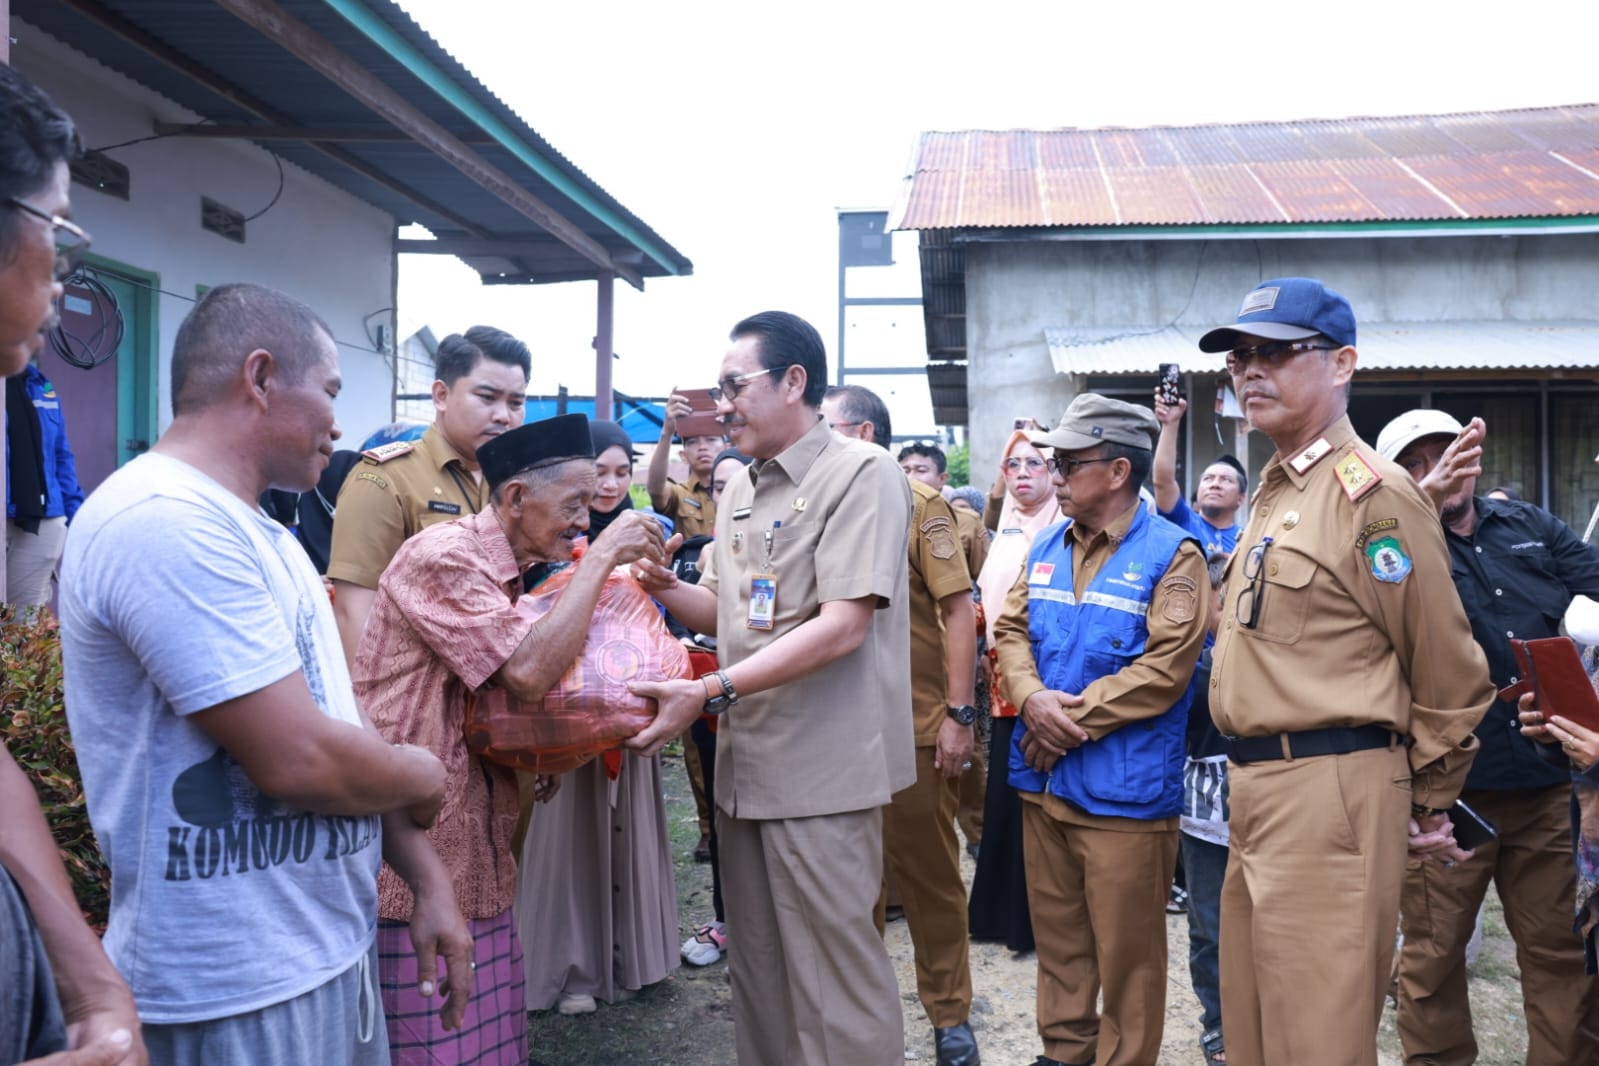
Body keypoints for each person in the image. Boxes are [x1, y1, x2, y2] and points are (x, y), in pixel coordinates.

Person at [58, 283, 464, 1064]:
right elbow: (300, 760)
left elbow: (337, 726)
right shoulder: (162, 518)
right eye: (330, 391)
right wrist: (422, 774)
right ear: (261, 376)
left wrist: (425, 874)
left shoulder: (265, 533)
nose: (338, 422)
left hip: (318, 953)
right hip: (231, 987)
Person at [1198, 277, 1495, 1066]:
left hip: (1331, 787)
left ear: (1341, 364)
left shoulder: (1374, 495)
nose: (1249, 370)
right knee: (1254, 1030)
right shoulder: (1273, 491)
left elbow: (1447, 668)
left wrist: (1427, 802)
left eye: (1275, 352)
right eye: (1238, 356)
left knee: (1319, 1036)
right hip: (1257, 788)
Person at [624, 310, 915, 1066]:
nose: (720, 405)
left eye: (733, 385)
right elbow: (726, 613)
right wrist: (658, 588)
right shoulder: (741, 490)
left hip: (822, 772)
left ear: (793, 382)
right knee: (758, 972)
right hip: (744, 773)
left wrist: (711, 690)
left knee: (834, 985)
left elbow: (843, 624)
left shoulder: (861, 472)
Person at [354, 413, 667, 1059]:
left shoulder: (512, 566)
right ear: (517, 498)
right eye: (574, 504)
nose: (584, 522)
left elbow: (502, 691)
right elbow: (525, 672)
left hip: (478, 839)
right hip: (413, 848)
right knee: (431, 1039)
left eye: (591, 507)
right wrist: (605, 555)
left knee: (491, 1043)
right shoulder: (444, 556)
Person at [1376, 407, 1599, 1066]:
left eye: (1445, 454)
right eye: (1414, 463)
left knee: (1560, 956)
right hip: (1444, 798)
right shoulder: (1386, 543)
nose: (1438, 470)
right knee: (1432, 960)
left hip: (1545, 785)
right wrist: (1413, 503)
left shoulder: (1528, 525)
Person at [991, 393, 1209, 1066]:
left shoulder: (1175, 555)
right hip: (1044, 782)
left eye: (1066, 461)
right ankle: (1064, 1053)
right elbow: (1008, 630)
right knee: (1058, 942)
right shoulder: (1049, 541)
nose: (1051, 473)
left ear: (1116, 471)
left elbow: (1164, 671)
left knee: (1128, 960)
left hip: (1122, 796)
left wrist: (1058, 722)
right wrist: (1030, 702)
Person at [825, 385, 980, 1066]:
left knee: (929, 879)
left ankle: (949, 1015)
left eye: (825, 427)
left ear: (860, 432)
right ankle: (862, 1022)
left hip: (912, 726)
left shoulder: (920, 504)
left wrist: (956, 715)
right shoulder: (816, 505)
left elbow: (958, 610)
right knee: (849, 885)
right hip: (831, 730)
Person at [516, 420, 679, 1016]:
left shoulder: (651, 531)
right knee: (566, 831)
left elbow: (664, 616)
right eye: (597, 472)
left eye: (620, 471)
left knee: (628, 819)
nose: (609, 486)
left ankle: (632, 954)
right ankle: (571, 966)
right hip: (562, 707)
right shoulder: (547, 530)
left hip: (629, 701)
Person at [327, 326, 530, 663]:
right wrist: (371, 712)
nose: (503, 416)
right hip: (411, 692)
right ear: (441, 395)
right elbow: (353, 614)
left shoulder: (514, 488)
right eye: (487, 397)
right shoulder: (385, 479)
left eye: (516, 403)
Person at [967, 426, 1063, 953]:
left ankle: (1033, 922)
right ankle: (997, 915)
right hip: (998, 677)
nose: (1023, 474)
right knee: (1002, 793)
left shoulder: (1065, 526)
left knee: (1034, 794)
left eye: (1034, 464)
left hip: (1042, 680)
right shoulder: (1003, 529)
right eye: (1013, 465)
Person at [678, 445, 752, 968]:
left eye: (738, 484)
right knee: (722, 815)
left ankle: (762, 923)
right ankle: (727, 918)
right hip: (711, 700)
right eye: (720, 488)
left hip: (771, 705)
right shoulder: (703, 554)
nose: (729, 495)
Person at [1181, 552, 1233, 1066]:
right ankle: (1218, 1021)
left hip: (1269, 802)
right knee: (1209, 924)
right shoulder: (1190, 657)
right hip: (1205, 811)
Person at [6, 360, 84, 607]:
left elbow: (61, 456)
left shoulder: (41, 386)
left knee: (26, 625)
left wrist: (77, 519)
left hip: (44, 519)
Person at [1152, 392, 1245, 556]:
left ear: (1240, 498)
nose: (1215, 484)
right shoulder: (1182, 520)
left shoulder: (1247, 540)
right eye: (1208, 479)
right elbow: (1163, 482)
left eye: (1226, 480)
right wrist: (1170, 424)